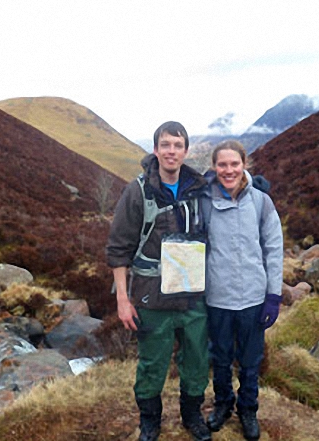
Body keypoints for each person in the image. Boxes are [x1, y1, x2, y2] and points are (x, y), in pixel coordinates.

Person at [106, 121, 212, 441]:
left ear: (185, 151)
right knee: (152, 363)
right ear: (155, 150)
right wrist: (123, 300)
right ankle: (150, 421)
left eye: (177, 145)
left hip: (194, 293)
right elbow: (118, 249)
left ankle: (192, 416)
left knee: (196, 360)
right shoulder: (138, 191)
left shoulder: (200, 190)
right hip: (152, 296)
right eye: (165, 145)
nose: (171, 151)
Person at [201, 140, 283, 440]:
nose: (228, 170)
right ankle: (223, 404)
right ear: (214, 167)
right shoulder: (204, 201)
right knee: (221, 358)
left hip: (253, 297)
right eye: (222, 165)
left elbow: (273, 249)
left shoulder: (261, 202)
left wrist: (273, 296)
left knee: (250, 360)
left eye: (234, 164)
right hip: (217, 297)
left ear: (244, 164)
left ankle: (248, 409)